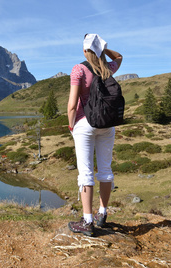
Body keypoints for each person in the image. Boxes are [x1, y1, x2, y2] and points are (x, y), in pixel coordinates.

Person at [67, 34, 123, 237]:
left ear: (84, 50)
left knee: (86, 173)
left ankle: (87, 221)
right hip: (107, 125)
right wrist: (104, 50)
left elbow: (73, 105)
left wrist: (71, 126)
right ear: (99, 49)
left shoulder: (79, 69)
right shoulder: (108, 68)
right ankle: (102, 213)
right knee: (105, 170)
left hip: (84, 124)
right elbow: (119, 57)